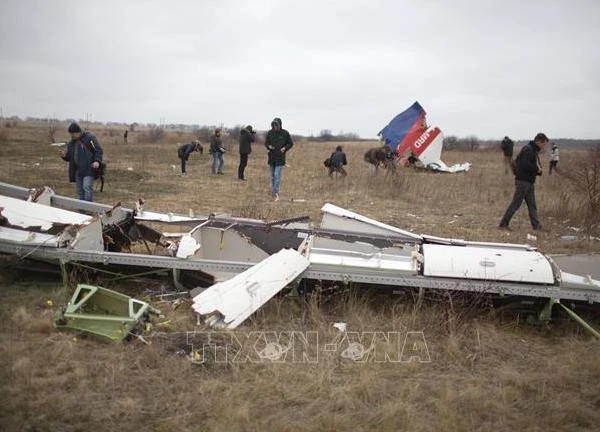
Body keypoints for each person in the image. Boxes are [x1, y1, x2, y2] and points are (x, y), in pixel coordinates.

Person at [499, 132, 549, 231]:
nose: (544, 146)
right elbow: (525, 165)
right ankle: (503, 224)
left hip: (529, 182)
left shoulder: (532, 150)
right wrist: (536, 170)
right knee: (516, 203)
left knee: (532, 205)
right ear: (538, 141)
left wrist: (538, 171)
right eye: (543, 144)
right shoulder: (528, 149)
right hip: (523, 182)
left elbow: (530, 165)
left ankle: (536, 226)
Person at [60, 122, 103, 202]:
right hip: (78, 171)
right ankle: (81, 211)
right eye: (71, 134)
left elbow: (98, 150)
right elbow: (70, 158)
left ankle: (88, 208)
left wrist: (97, 161)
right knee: (80, 191)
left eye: (73, 133)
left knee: (86, 187)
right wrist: (64, 156)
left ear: (78, 132)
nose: (72, 135)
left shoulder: (90, 138)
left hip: (89, 169)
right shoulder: (71, 144)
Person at [264, 117, 293, 201]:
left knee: (277, 175)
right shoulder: (270, 133)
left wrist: (285, 148)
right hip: (272, 157)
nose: (275, 126)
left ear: (280, 125)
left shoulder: (285, 133)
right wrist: (269, 146)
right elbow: (266, 143)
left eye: (276, 125)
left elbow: (290, 143)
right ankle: (273, 192)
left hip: (280, 158)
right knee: (272, 176)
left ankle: (275, 192)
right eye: (274, 125)